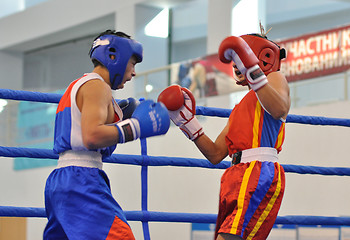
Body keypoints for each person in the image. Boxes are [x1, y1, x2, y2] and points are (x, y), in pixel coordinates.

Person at [158, 32, 289, 240]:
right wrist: (188, 123)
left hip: (257, 172)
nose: (236, 64)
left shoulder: (274, 79)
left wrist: (252, 71)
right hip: (235, 176)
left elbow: (280, 108)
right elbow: (216, 154)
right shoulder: (239, 108)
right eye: (236, 59)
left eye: (241, 56)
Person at [43, 30, 170, 240]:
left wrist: (119, 117)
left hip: (62, 181)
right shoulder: (97, 86)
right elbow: (92, 136)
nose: (134, 72)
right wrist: (136, 127)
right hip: (81, 179)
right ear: (114, 56)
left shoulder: (79, 86)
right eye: (133, 63)